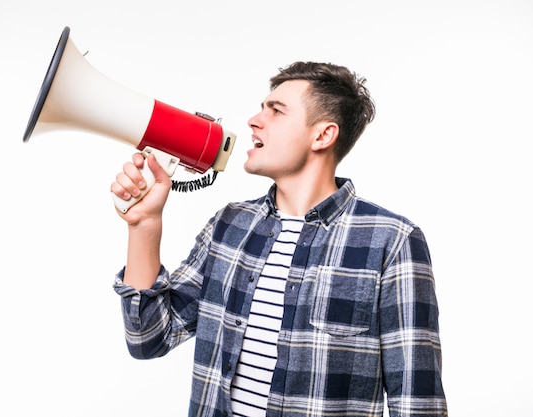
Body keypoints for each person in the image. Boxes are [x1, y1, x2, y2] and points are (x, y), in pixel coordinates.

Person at [111, 61, 448, 417]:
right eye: (261, 108)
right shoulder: (229, 225)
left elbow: (416, 401)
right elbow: (148, 338)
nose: (255, 121)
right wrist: (143, 225)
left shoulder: (391, 242)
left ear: (323, 136)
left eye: (276, 111)